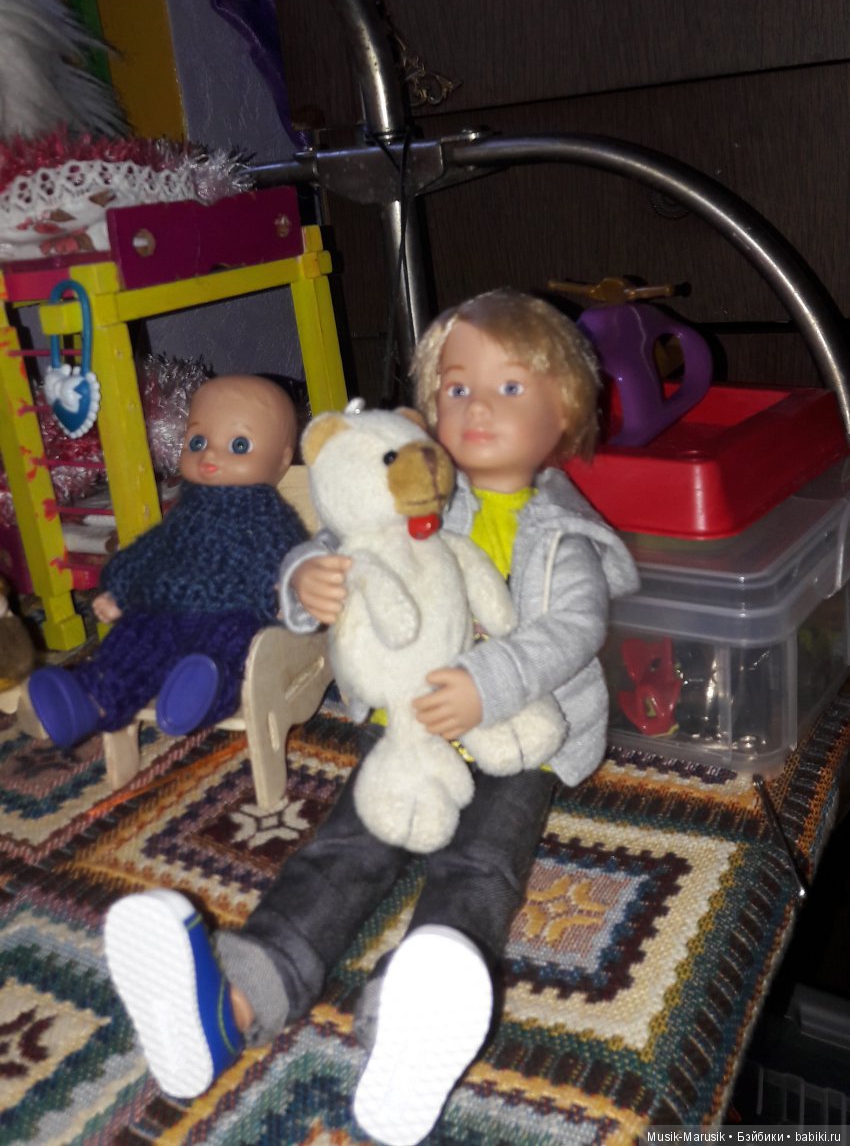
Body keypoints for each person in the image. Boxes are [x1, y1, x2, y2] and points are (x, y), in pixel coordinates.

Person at [103, 291, 639, 1146]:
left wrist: (486, 682)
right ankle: (233, 1000)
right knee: (343, 847)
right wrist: (305, 580)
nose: (476, 406)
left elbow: (573, 630)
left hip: (516, 741)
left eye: (508, 388)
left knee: (479, 866)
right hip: (403, 730)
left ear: (565, 413)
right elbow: (342, 535)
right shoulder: (415, 485)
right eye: (456, 388)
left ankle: (409, 1022)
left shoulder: (563, 534)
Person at [28, 375, 305, 747]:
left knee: (224, 646)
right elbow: (150, 549)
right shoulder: (185, 512)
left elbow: (291, 559)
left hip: (234, 608)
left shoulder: (270, 518)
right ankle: (89, 699)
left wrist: (288, 591)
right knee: (133, 638)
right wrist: (119, 589)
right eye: (198, 441)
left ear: (282, 459)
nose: (209, 455)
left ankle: (202, 692)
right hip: (163, 604)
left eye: (238, 445)